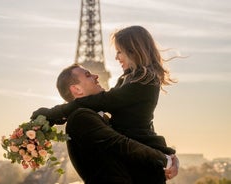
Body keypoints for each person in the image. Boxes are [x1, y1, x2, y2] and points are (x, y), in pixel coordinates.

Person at [31, 25, 179, 182]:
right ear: (76, 89)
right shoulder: (131, 80)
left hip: (142, 164)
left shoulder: (142, 81)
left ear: (133, 51)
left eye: (119, 52)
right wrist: (167, 156)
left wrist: (55, 113)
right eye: (88, 75)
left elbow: (104, 101)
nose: (116, 57)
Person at [56, 64, 179, 183]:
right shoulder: (81, 117)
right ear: (76, 89)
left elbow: (138, 138)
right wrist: (164, 159)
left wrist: (171, 158)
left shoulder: (102, 118)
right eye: (88, 75)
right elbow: (123, 144)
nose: (96, 76)